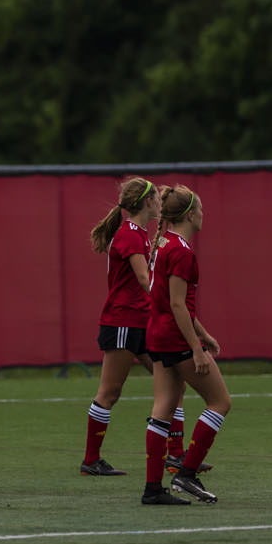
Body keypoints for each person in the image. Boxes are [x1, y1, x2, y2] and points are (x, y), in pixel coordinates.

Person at [142, 186, 228, 506]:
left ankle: (153, 489)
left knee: (163, 408)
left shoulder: (166, 243)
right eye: (201, 209)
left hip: (159, 334)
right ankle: (187, 474)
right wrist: (195, 347)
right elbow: (178, 305)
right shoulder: (181, 250)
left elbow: (172, 303)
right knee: (220, 402)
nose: (204, 215)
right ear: (190, 214)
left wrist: (203, 334)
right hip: (175, 338)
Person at [81, 176, 164, 477]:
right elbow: (145, 280)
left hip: (141, 321)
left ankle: (176, 455)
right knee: (109, 393)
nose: (159, 203)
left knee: (171, 382)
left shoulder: (140, 233)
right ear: (146, 202)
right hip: (123, 322)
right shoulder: (129, 234)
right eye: (156, 197)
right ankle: (91, 460)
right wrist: (172, 304)